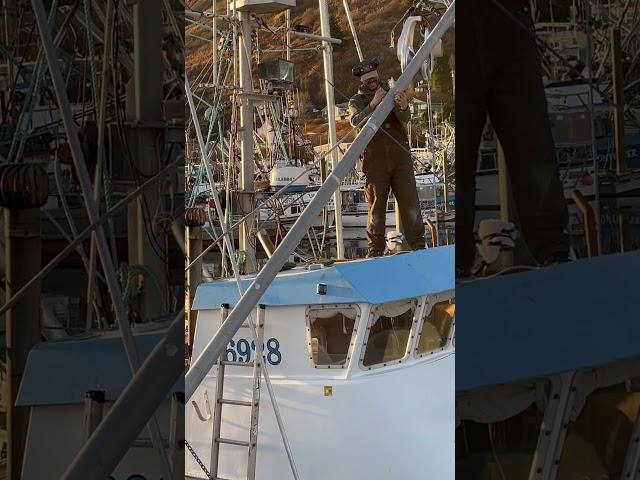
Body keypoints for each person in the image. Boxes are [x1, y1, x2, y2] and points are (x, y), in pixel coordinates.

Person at [457, 0, 570, 275]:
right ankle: (458, 265)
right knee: (459, 160)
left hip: (510, 20)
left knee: (533, 147)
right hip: (453, 27)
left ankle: (555, 258)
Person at [348, 58, 426, 257]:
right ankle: (375, 250)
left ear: (377, 75)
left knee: (410, 202)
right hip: (375, 162)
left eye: (373, 78)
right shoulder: (355, 101)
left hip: (400, 158)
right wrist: (373, 104)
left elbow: (406, 119)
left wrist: (403, 106)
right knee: (376, 207)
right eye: (367, 80)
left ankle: (418, 246)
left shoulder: (393, 92)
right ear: (361, 82)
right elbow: (356, 123)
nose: (371, 82)